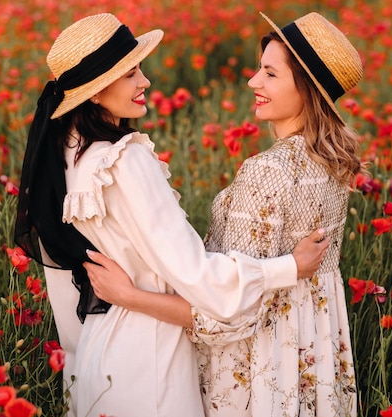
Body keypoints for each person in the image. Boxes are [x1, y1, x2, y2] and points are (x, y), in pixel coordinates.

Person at [13, 13, 329, 417]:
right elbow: (197, 275)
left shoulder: (69, 160)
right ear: (94, 92)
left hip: (96, 356)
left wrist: (77, 361)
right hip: (150, 360)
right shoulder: (124, 161)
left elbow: (66, 291)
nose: (144, 81)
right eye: (130, 73)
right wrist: (287, 268)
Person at [84, 11, 366, 417]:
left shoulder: (266, 171)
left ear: (306, 89)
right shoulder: (334, 165)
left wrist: (130, 297)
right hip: (315, 357)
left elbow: (226, 314)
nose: (254, 82)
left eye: (270, 73)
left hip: (260, 370)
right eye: (258, 69)